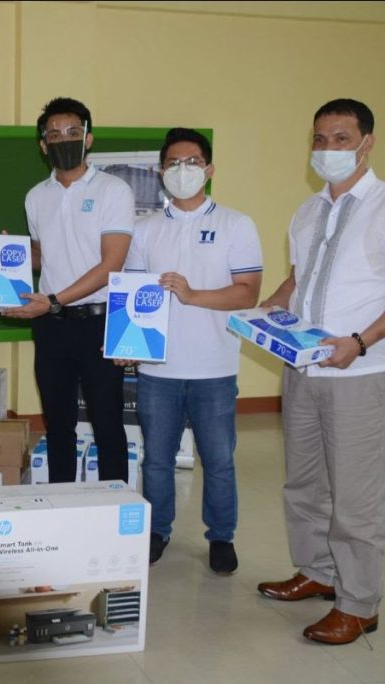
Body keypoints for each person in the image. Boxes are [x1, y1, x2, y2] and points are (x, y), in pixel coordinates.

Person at [257, 99, 385, 644]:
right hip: (304, 368)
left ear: (367, 143)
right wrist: (267, 310)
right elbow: (299, 278)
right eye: (320, 139)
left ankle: (360, 604)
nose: (328, 149)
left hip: (359, 373)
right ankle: (317, 572)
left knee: (356, 497)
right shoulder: (307, 211)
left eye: (341, 138)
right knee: (304, 484)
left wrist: (360, 341)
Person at [122, 128, 262, 574]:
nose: (183, 171)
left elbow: (247, 294)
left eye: (193, 162)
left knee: (218, 460)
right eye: (174, 163)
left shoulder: (236, 225)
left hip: (214, 366)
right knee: (157, 459)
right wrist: (127, 345)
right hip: (157, 369)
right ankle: (157, 530)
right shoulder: (144, 230)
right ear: (161, 171)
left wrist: (192, 294)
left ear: (210, 169)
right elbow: (133, 296)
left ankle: (221, 537)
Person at [4, 97, 134, 484]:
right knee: (57, 425)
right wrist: (8, 255)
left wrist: (56, 300)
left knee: (108, 425)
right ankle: (60, 511)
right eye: (54, 134)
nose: (64, 140)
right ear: (43, 145)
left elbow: (112, 265)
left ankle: (113, 512)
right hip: (51, 327)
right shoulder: (35, 196)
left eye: (73, 132)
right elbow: (46, 256)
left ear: (88, 139)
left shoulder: (114, 190)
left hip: (97, 323)